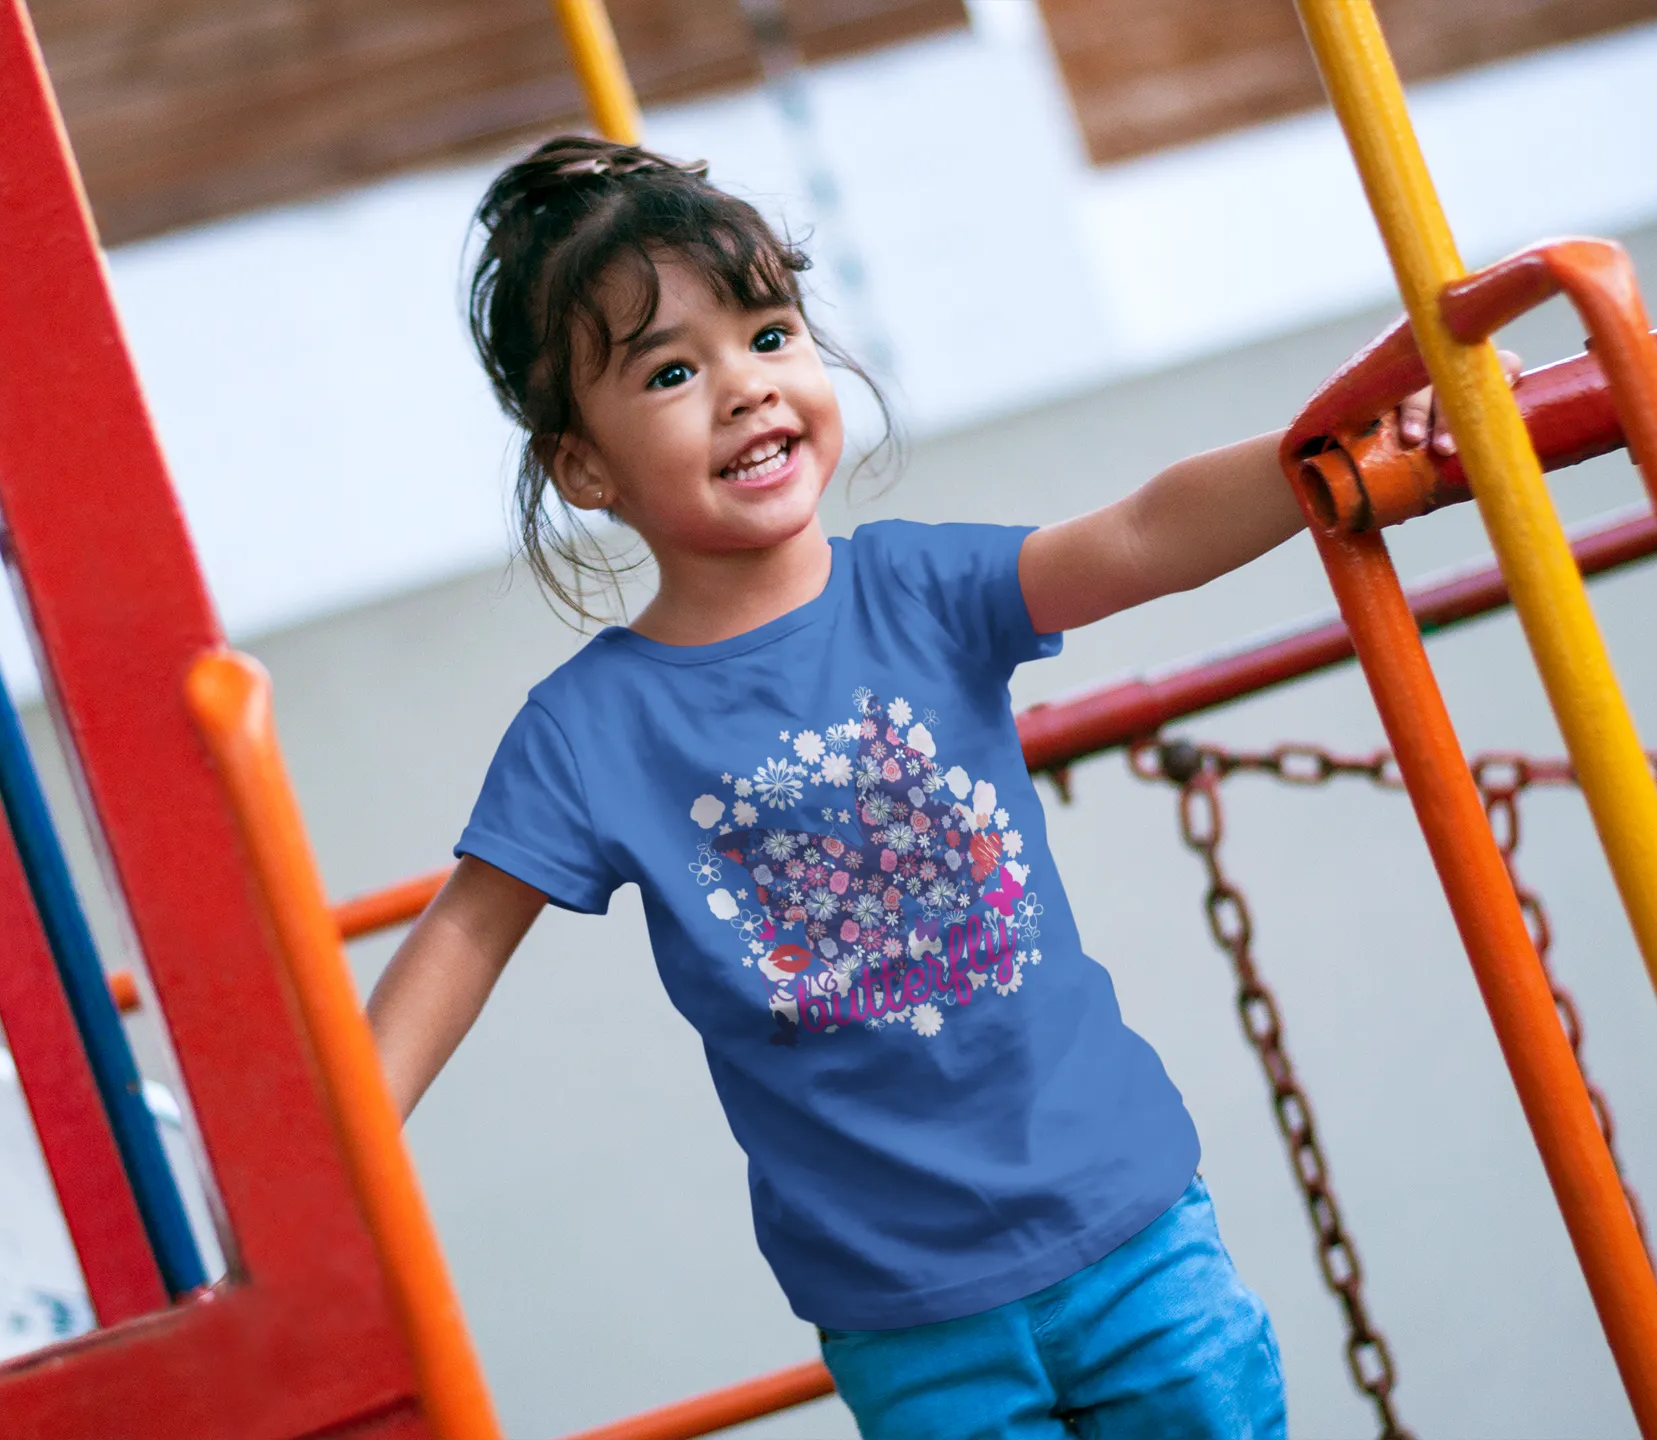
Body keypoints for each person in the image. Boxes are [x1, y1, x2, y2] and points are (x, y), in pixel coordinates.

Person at [368, 135, 1493, 1439]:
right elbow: (462, 934)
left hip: (1121, 1218)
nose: (744, 388)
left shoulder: (916, 589)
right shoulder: (591, 728)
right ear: (585, 470)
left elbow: (1138, 536)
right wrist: (337, 1167)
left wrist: (1326, 450)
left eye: (770, 335)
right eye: (673, 371)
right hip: (904, 1303)